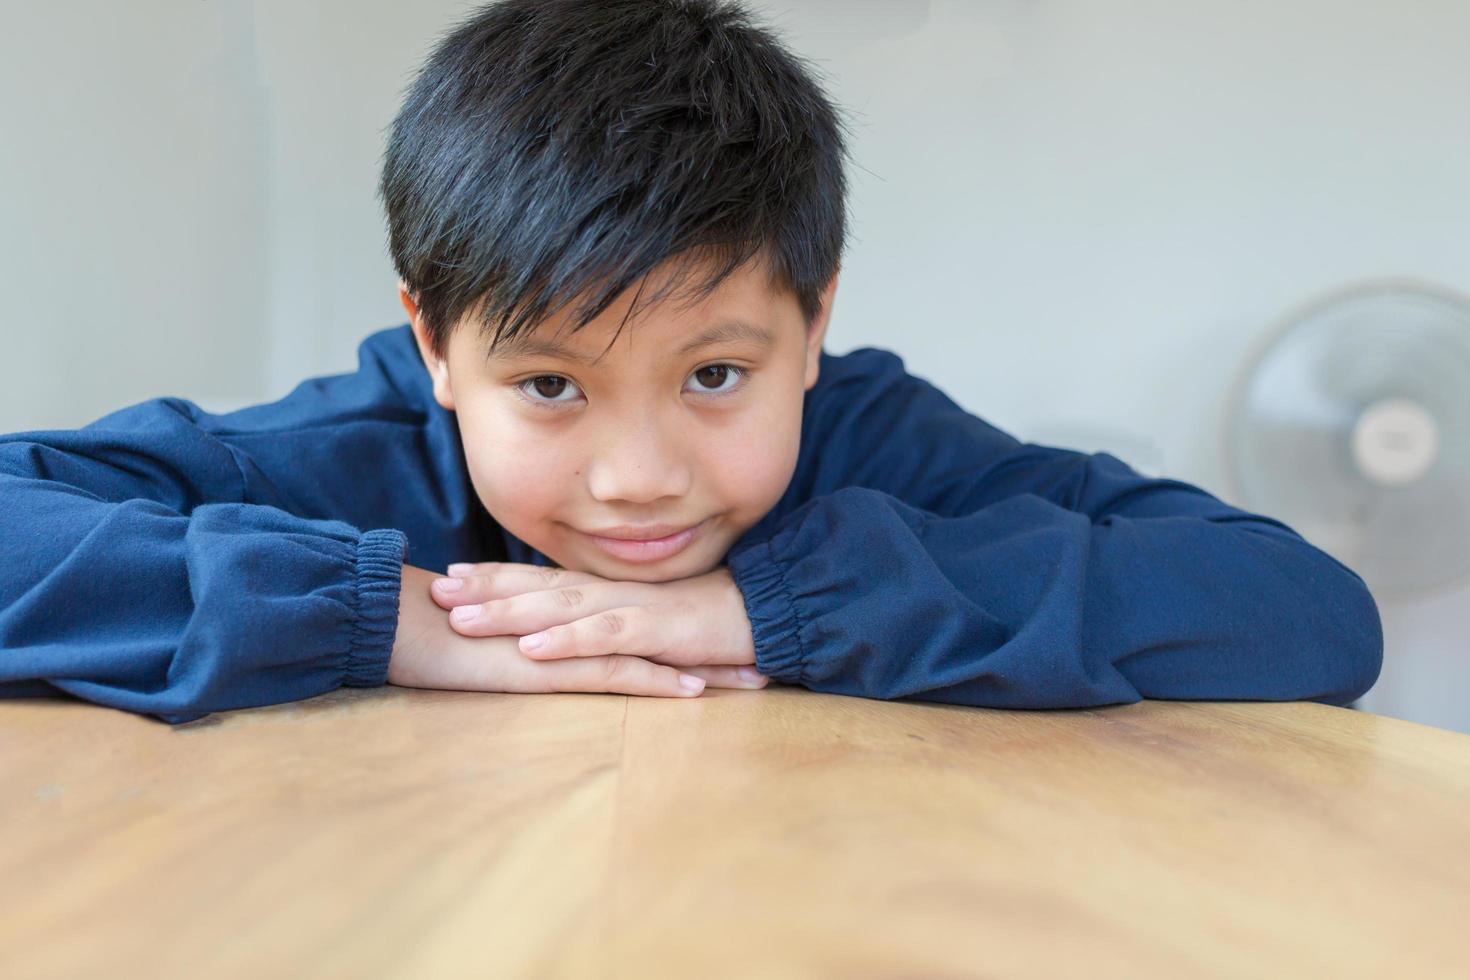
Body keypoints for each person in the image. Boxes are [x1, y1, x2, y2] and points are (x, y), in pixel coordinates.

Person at [0, 0, 1382, 725]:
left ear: (812, 323)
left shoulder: (870, 440)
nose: (640, 478)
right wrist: (376, 620)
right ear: (432, 342)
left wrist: (774, 609)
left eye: (714, 376)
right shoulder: (346, 458)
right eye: (549, 385)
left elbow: (1305, 612)